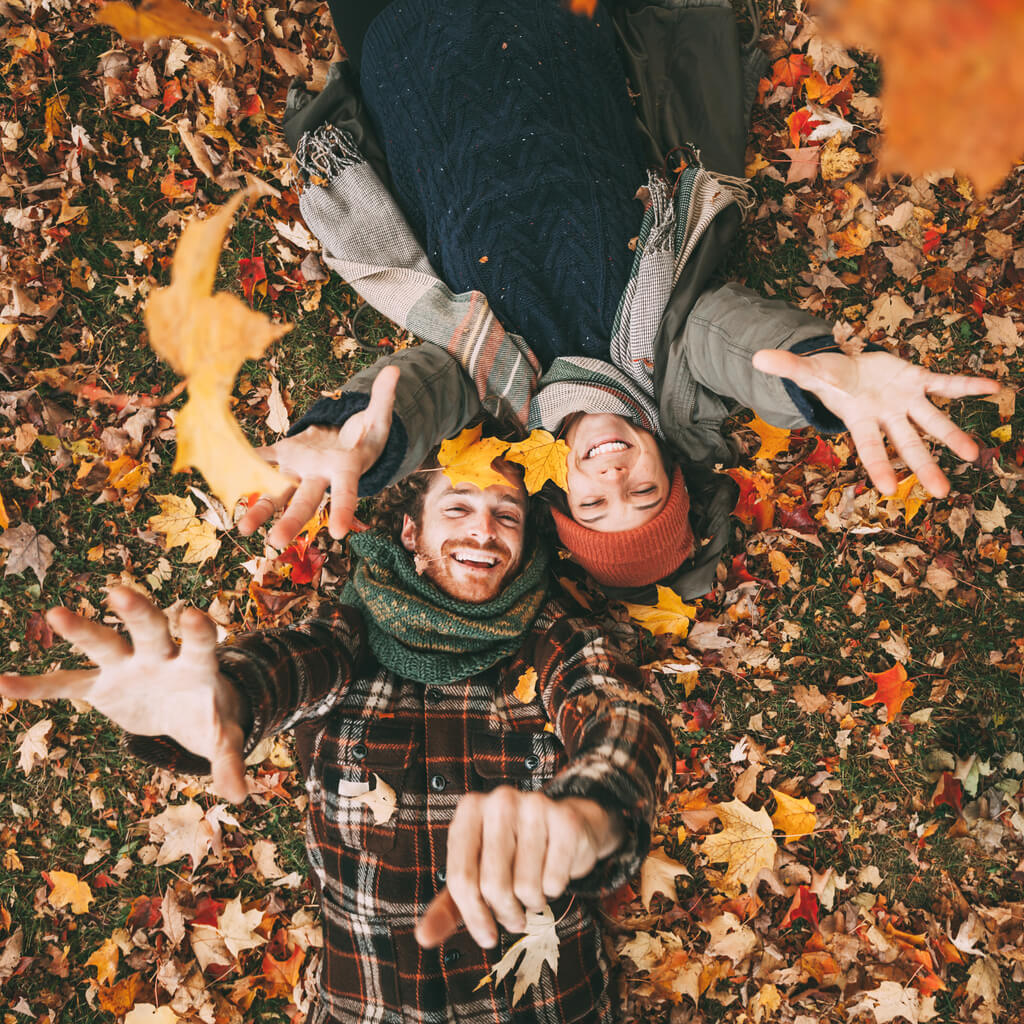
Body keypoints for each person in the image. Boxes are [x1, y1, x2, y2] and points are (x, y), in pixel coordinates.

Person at [239, 0, 999, 602]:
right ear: (669, 458)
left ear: (558, 492)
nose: (612, 480)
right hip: (549, 27)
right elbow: (738, 345)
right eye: (645, 492)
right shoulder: (669, 354)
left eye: (595, 506)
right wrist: (824, 378)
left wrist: (356, 437)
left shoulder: (492, 399)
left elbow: (420, 394)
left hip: (407, 45)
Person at [0, 445, 674, 1024]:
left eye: (507, 515)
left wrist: (593, 813)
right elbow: (288, 668)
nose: (483, 529)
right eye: (458, 507)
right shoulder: (349, 639)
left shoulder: (554, 641)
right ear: (410, 531)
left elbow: (620, 714)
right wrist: (225, 700)